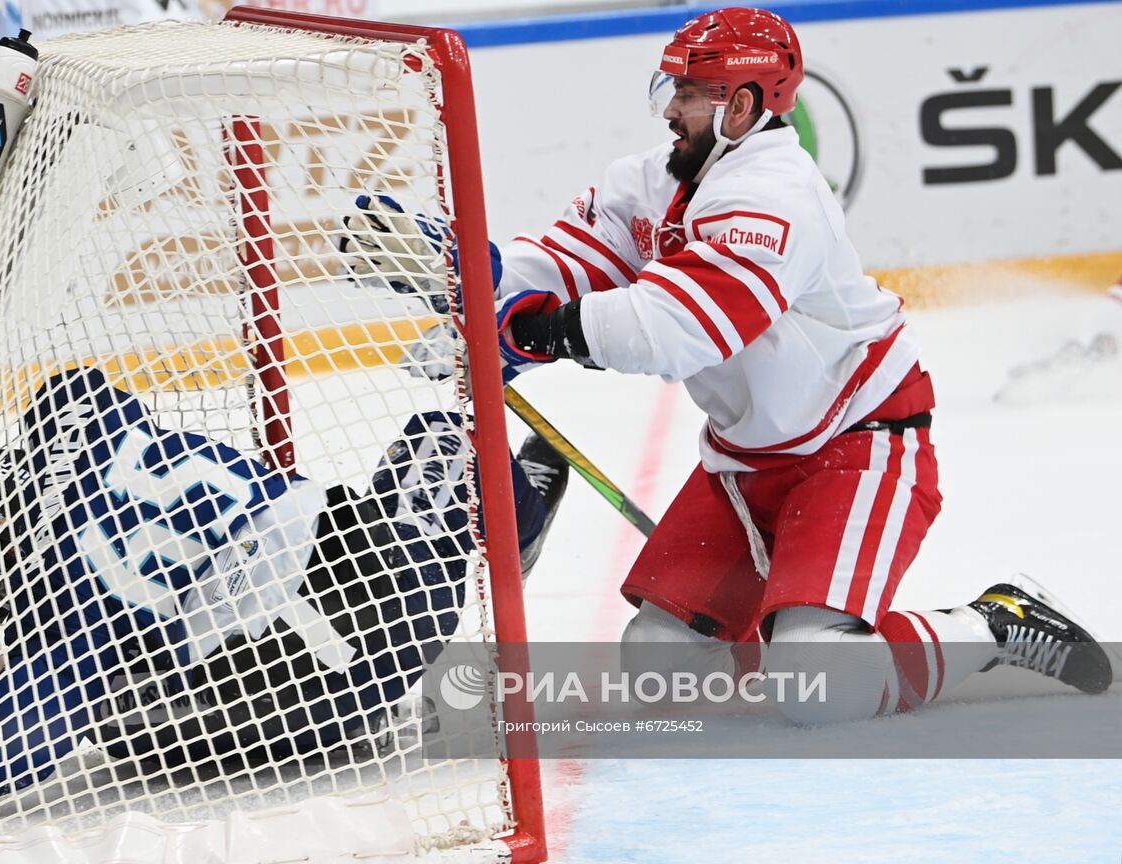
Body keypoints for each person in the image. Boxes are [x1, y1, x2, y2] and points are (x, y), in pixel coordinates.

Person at [341, 7, 1110, 723]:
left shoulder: (775, 197)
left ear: (742, 107)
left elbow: (678, 327)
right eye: (672, 87)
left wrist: (528, 335)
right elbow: (569, 266)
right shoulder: (647, 179)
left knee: (823, 685)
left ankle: (991, 622)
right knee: (658, 669)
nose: (671, 108)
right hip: (746, 463)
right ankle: (797, 642)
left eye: (692, 93)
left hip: (853, 445)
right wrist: (468, 268)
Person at [0, 365, 568, 805]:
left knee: (112, 703)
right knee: (446, 437)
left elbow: (12, 743)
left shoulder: (60, 616)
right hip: (379, 594)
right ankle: (520, 529)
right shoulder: (88, 419)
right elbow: (74, 387)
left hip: (300, 707)